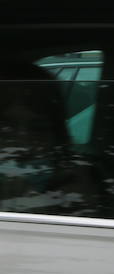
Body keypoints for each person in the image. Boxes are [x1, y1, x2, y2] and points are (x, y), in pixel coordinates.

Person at [0, 61, 97, 215]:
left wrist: (41, 208)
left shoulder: (74, 186)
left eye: (38, 129)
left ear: (56, 135)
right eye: (5, 128)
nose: (23, 142)